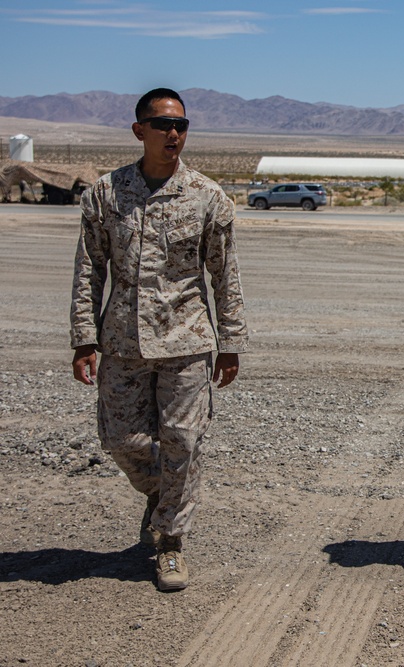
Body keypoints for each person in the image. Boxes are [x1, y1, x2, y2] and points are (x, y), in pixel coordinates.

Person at [70, 88, 248, 591]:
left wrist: (231, 341)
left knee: (183, 442)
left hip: (188, 340)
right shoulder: (106, 194)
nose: (174, 134)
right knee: (121, 441)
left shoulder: (208, 197)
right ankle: (167, 492)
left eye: (182, 126)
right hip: (122, 342)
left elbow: (224, 275)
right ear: (139, 131)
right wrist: (84, 337)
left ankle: (170, 542)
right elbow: (89, 271)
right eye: (163, 125)